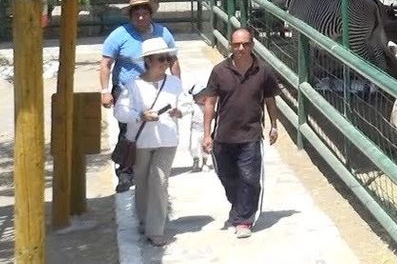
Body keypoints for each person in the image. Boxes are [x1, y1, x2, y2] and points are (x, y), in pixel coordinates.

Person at [202, 28, 281, 239]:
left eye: (245, 44)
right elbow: (210, 102)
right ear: (230, 45)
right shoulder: (219, 71)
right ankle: (238, 206)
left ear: (252, 45)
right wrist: (207, 133)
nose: (241, 48)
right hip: (223, 136)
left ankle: (244, 220)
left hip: (251, 135)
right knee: (227, 176)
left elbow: (270, 100)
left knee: (250, 178)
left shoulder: (263, 71)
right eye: (237, 44)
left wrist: (274, 125)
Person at [99, 0, 181, 192]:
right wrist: (104, 91)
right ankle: (125, 171)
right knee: (128, 129)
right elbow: (105, 64)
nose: (141, 17)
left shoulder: (162, 33)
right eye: (137, 14)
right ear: (131, 16)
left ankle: (150, 165)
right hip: (127, 89)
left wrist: (177, 85)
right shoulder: (119, 35)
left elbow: (173, 60)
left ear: (151, 15)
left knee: (155, 126)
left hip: (156, 87)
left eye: (145, 13)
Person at [112, 37, 186, 247]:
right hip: (142, 141)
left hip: (168, 139)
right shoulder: (133, 85)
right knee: (143, 183)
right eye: (160, 58)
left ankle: (156, 229)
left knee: (159, 181)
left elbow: (187, 103)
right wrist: (140, 115)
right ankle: (145, 220)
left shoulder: (174, 82)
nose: (165, 63)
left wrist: (180, 111)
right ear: (148, 61)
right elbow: (120, 111)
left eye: (168, 58)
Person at [182, 80, 211, 172]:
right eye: (199, 96)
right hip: (195, 130)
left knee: (205, 147)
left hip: (206, 131)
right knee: (193, 146)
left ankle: (205, 162)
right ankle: (195, 159)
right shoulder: (193, 106)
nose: (203, 98)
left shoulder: (209, 106)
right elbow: (185, 110)